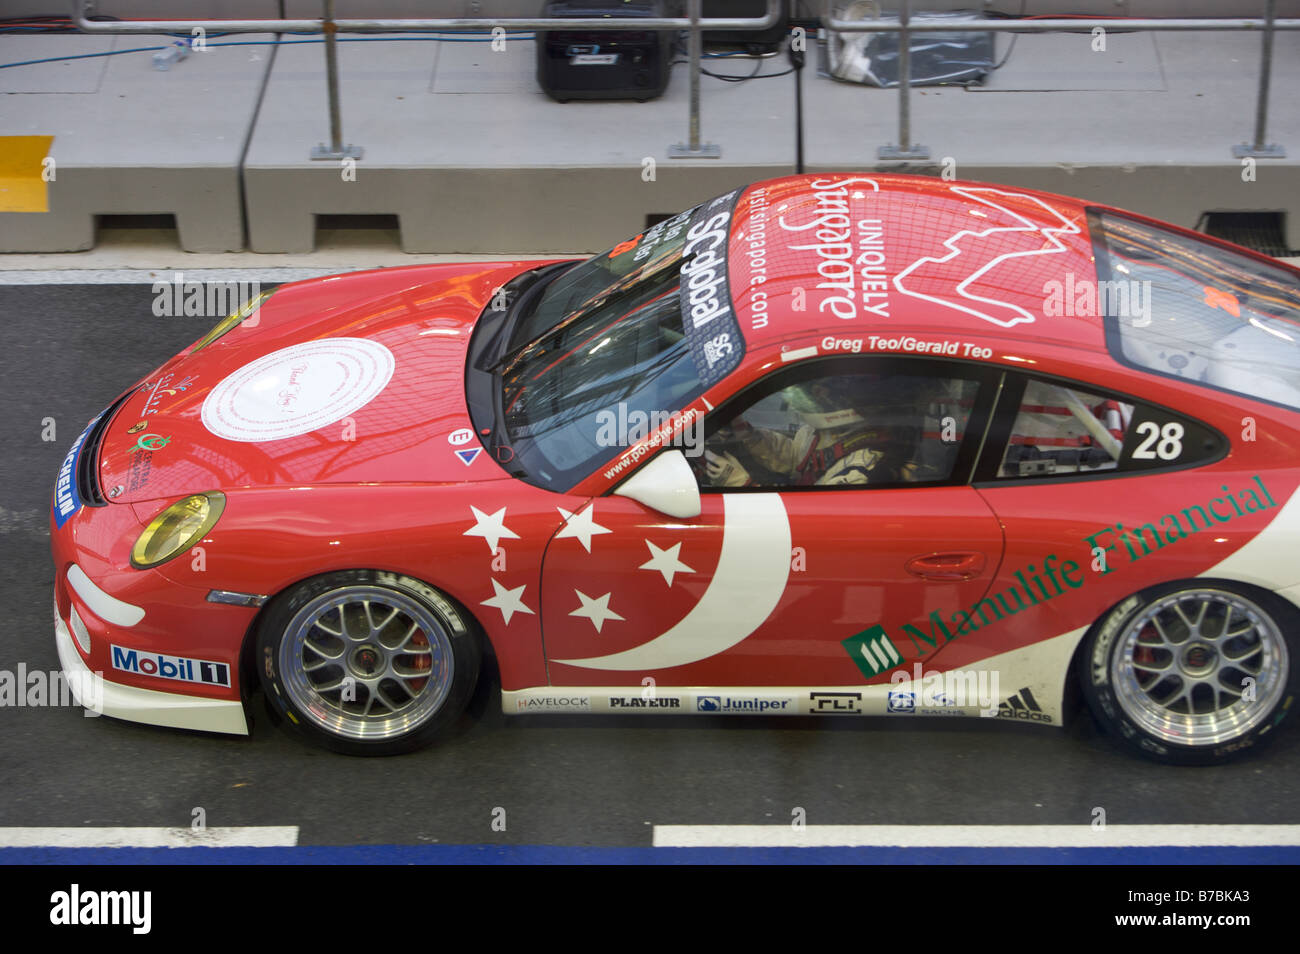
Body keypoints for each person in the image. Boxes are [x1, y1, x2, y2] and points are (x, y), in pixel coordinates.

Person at [703, 377, 919, 487]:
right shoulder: (826, 430)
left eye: (819, 394)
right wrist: (748, 435)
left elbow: (804, 524)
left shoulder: (860, 472)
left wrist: (742, 484)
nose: (812, 399)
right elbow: (795, 456)